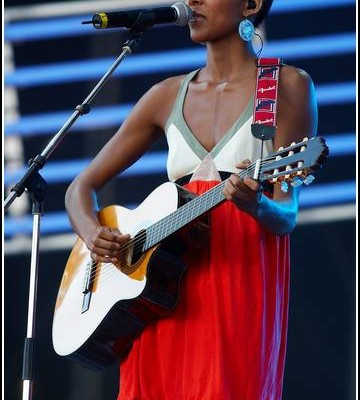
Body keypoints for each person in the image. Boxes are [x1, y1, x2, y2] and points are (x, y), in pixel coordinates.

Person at [65, 0, 318, 398]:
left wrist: (259, 205)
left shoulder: (286, 86)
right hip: (156, 296)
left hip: (235, 290)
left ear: (250, 4)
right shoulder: (165, 95)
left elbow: (286, 213)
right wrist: (93, 234)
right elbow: (80, 187)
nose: (192, 2)